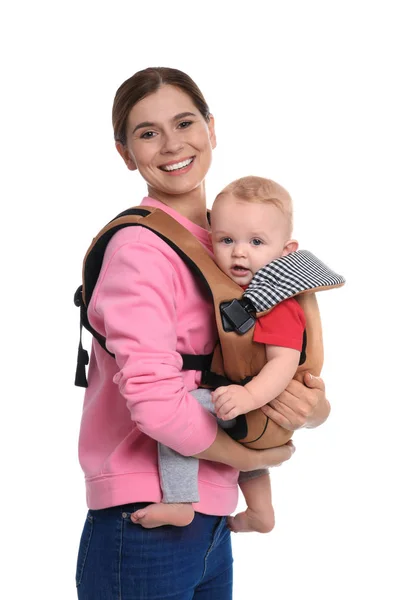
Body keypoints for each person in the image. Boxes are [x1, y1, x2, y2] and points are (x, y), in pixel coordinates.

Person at [76, 67, 330, 600]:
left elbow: (278, 360)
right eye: (148, 133)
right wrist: (254, 457)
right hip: (144, 516)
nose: (173, 145)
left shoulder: (242, 240)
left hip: (214, 515)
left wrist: (308, 408)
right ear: (126, 153)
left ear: (212, 129)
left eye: (185, 122)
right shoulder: (141, 249)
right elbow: (153, 402)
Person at [132, 175, 306, 534]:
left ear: (286, 252)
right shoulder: (238, 291)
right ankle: (260, 511)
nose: (239, 252)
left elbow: (284, 361)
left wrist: (248, 396)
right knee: (232, 433)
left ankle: (179, 501)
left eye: (256, 242)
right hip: (247, 402)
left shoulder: (275, 302)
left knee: (184, 410)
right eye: (226, 240)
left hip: (258, 400)